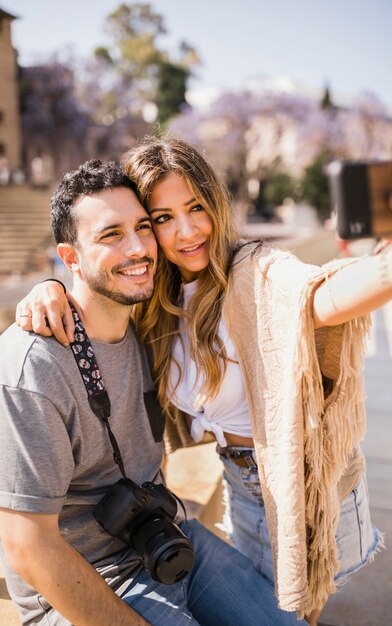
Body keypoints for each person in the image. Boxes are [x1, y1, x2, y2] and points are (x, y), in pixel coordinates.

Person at [16, 141, 392, 625]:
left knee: (297, 612)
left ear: (216, 204)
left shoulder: (252, 271)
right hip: (237, 480)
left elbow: (320, 296)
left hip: (297, 478)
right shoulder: (151, 300)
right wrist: (52, 286)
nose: (184, 231)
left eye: (196, 208)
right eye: (161, 218)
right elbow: (94, 291)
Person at [0, 159, 307, 626]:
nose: (139, 248)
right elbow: (27, 547)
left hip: (168, 539)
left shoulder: (149, 324)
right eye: (111, 235)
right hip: (86, 583)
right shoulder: (33, 368)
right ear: (70, 258)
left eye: (144, 227)